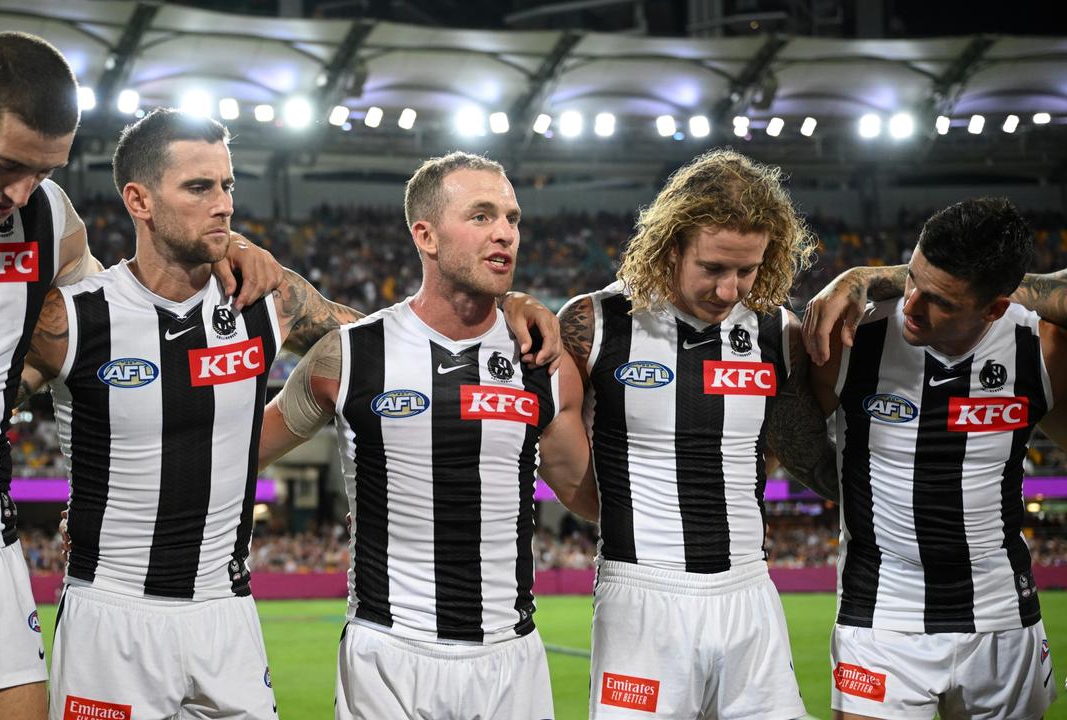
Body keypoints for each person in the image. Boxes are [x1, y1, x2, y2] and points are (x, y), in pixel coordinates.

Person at [23, 117, 563, 720]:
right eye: (200, 188)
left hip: (226, 611)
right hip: (111, 610)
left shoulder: (265, 300)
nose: (224, 204)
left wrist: (505, 303)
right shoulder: (70, 321)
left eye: (228, 185)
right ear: (138, 200)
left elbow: (397, 345)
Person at [0, 32, 281, 720]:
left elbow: (111, 332)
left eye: (42, 169)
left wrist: (224, 239)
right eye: (6, 164)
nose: (18, 191)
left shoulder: (48, 216)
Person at [257, 151, 599, 720]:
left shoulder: (543, 359)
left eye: (512, 219)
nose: (505, 234)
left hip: (510, 655)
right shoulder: (348, 355)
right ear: (426, 235)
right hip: (388, 654)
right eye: (482, 216)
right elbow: (234, 457)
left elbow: (589, 497)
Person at [556, 148, 830, 719]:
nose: (729, 290)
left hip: (749, 590)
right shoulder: (597, 323)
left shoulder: (778, 332)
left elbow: (790, 450)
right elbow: (555, 452)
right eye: (713, 268)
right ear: (671, 244)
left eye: (747, 270)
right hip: (642, 597)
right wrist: (628, 512)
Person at [801, 198, 1064, 719]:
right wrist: (866, 278)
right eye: (911, 279)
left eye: (939, 299)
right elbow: (788, 436)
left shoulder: (1041, 345)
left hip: (1001, 616)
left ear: (994, 306)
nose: (912, 305)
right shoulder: (854, 336)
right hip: (880, 611)